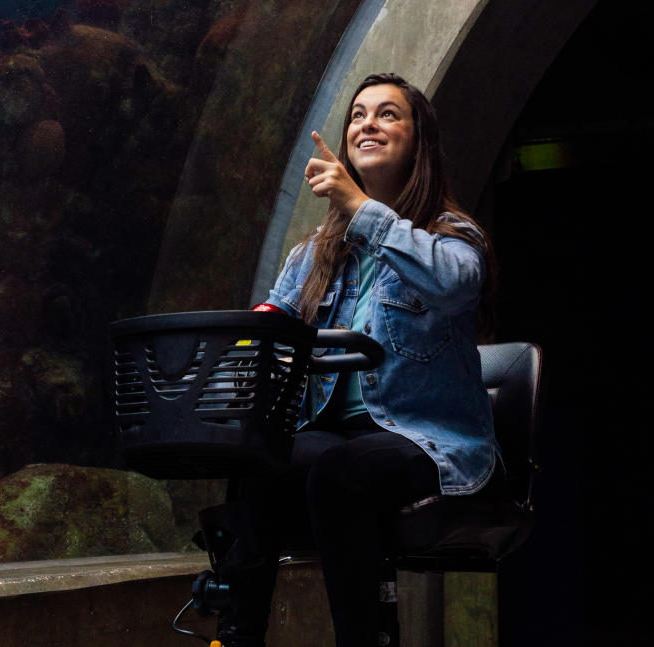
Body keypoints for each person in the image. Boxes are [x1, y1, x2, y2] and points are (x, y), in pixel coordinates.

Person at [213, 73, 499, 647]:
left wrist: (359, 206)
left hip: (425, 440)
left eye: (388, 114)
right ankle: (236, 636)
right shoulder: (314, 253)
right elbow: (272, 322)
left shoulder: (453, 238)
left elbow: (453, 286)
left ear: (419, 141)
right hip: (337, 437)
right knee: (261, 459)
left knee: (343, 473)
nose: (367, 123)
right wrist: (251, 334)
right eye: (358, 114)